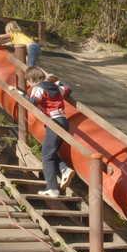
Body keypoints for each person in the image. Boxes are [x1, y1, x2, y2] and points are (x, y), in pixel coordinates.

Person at [26, 66, 74, 197]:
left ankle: (52, 188)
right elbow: (68, 89)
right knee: (50, 153)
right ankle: (64, 169)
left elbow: (32, 102)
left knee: (46, 156)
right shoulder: (56, 87)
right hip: (64, 121)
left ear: (31, 79)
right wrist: (57, 81)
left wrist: (21, 95)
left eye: (28, 82)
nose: (29, 85)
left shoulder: (38, 88)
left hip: (53, 122)